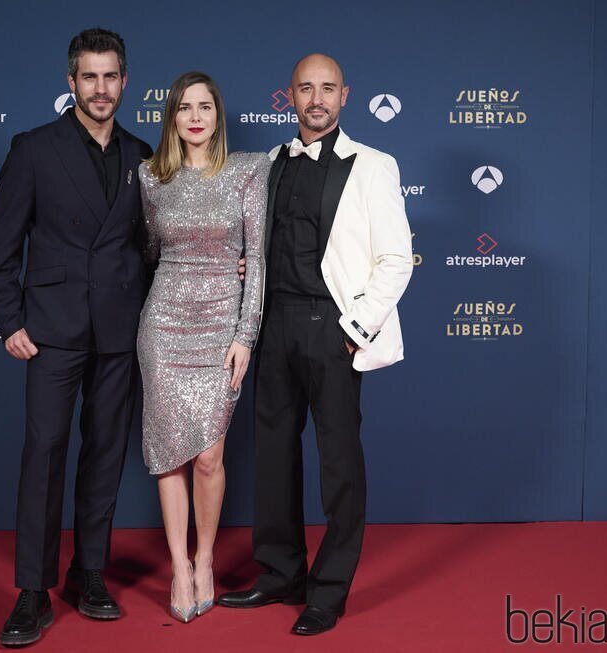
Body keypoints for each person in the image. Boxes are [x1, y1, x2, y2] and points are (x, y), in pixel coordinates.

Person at [217, 54, 413, 636]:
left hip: (334, 328)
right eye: (306, 88)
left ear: (345, 95)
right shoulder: (269, 163)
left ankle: (328, 590)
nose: (317, 98)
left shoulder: (374, 166)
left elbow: (397, 257)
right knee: (273, 456)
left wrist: (355, 331)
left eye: (328, 88)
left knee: (339, 464)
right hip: (274, 324)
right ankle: (279, 573)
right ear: (290, 96)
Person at [0, 28, 153, 647]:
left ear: (125, 81)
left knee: (105, 456)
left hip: (119, 329)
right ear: (71, 81)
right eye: (89, 77)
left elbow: (155, 247)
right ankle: (33, 590)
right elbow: (0, 247)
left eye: (111, 77)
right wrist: (10, 320)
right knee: (45, 455)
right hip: (50, 330)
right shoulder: (32, 148)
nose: (101, 88)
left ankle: (90, 573)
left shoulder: (143, 153)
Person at [137, 71, 270, 623]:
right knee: (170, 456)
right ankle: (179, 566)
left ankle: (207, 558)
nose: (195, 116)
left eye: (205, 107)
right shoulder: (150, 177)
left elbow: (256, 258)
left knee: (210, 455)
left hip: (222, 323)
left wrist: (246, 333)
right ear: (172, 117)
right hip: (164, 324)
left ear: (218, 116)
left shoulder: (247, 171)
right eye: (185, 107)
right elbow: (148, 249)